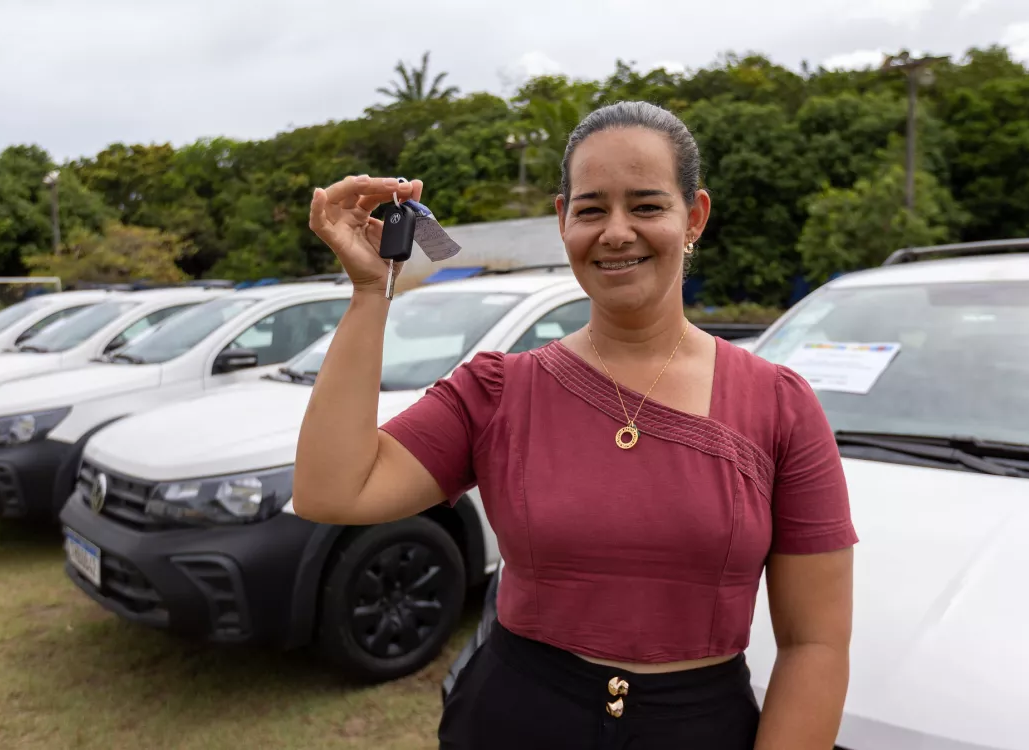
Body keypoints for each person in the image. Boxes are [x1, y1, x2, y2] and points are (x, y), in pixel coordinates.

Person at [295, 100, 858, 750]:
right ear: (564, 222)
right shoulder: (498, 391)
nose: (616, 231)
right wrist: (371, 292)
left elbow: (815, 643)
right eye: (591, 209)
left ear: (694, 215)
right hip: (513, 718)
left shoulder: (779, 406)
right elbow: (332, 490)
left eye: (646, 206)